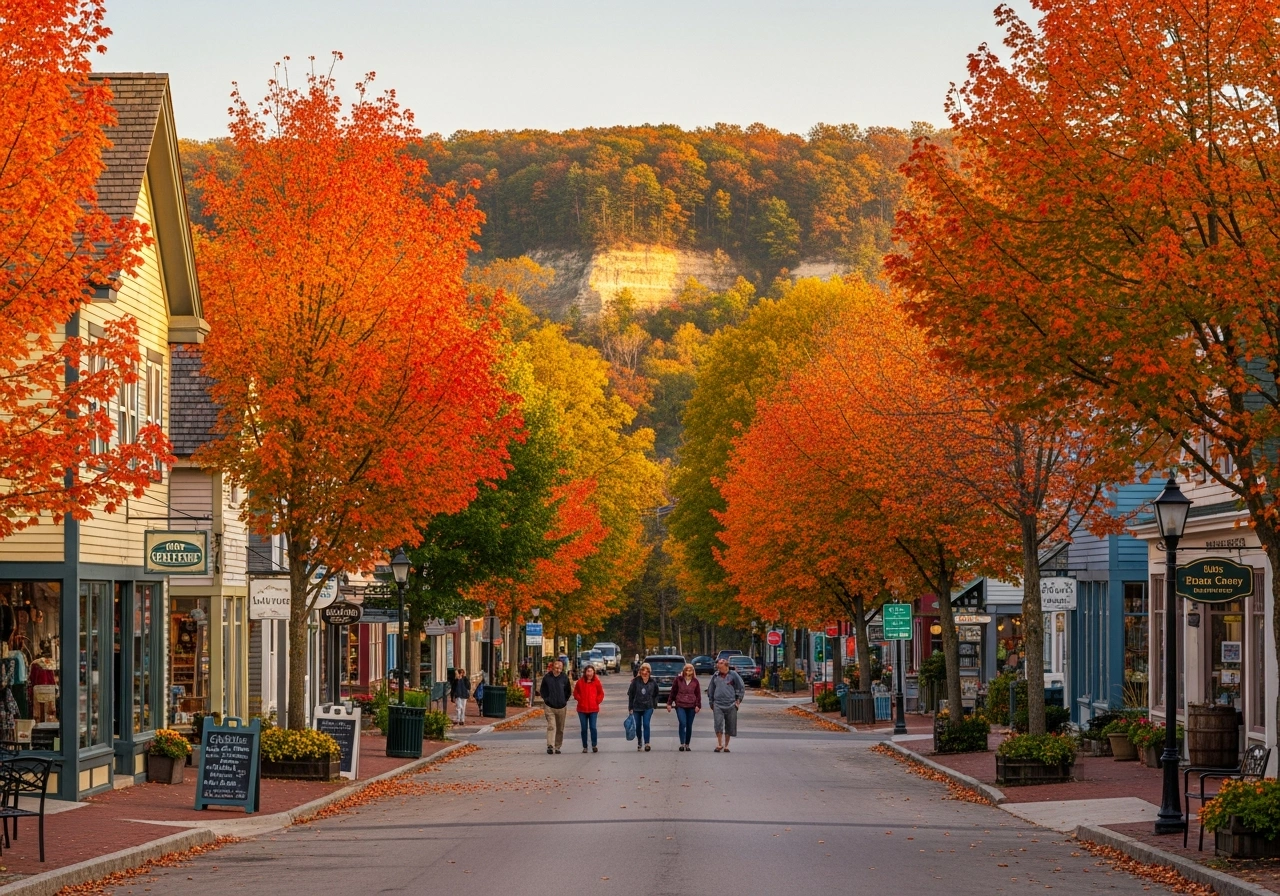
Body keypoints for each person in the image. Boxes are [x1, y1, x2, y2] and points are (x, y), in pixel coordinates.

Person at [707, 658, 745, 752]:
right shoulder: (715, 676)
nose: (718, 666)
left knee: (730, 724)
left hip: (731, 703)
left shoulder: (733, 675)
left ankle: (726, 745)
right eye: (718, 664)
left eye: (720, 664)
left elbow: (741, 687)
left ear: (725, 665)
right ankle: (719, 744)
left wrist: (738, 700)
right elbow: (710, 689)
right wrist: (711, 701)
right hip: (718, 704)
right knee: (718, 724)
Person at [538, 659, 572, 754]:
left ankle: (557, 746)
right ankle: (550, 745)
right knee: (551, 726)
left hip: (561, 706)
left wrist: (564, 700)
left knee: (560, 728)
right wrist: (547, 699)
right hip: (550, 706)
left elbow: (568, 691)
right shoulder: (547, 678)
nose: (558, 670)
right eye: (557, 668)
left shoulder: (564, 678)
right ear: (553, 667)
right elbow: (543, 690)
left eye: (560, 668)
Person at [666, 662, 702, 751]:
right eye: (686, 669)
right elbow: (673, 692)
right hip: (680, 704)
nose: (688, 671)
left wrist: (698, 705)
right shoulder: (678, 680)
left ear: (693, 671)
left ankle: (687, 744)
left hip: (691, 706)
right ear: (684, 671)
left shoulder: (695, 681)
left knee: (689, 725)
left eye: (690, 670)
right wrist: (669, 703)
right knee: (683, 723)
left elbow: (698, 694)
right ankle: (682, 743)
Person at [627, 662, 660, 752]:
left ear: (649, 672)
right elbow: (630, 695)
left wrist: (654, 704)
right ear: (640, 671)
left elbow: (656, 693)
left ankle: (647, 743)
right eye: (643, 670)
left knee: (646, 724)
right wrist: (630, 708)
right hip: (636, 707)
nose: (645, 672)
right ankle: (639, 741)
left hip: (648, 707)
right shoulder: (635, 681)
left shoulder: (653, 682)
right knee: (638, 726)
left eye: (647, 671)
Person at [573, 664, 605, 753]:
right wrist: (580, 699)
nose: (589, 673)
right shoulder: (580, 682)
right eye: (588, 671)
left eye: (591, 671)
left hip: (593, 709)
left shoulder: (596, 682)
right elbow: (575, 693)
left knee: (593, 727)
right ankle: (585, 746)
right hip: (582, 709)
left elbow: (601, 693)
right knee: (584, 728)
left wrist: (597, 701)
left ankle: (594, 745)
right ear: (585, 672)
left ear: (593, 672)